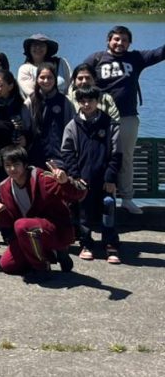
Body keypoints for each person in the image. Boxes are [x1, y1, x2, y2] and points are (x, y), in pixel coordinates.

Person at [82, 25, 165, 214]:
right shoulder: (96, 59)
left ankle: (127, 198)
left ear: (129, 43)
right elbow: (79, 80)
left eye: (124, 40)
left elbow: (160, 53)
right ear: (108, 40)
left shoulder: (136, 58)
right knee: (98, 157)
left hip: (127, 117)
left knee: (126, 158)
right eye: (116, 39)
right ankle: (96, 198)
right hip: (100, 118)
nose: (120, 43)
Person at [0, 146, 86, 276]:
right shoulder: (4, 187)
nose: (12, 169)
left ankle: (42, 266)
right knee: (8, 265)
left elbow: (79, 194)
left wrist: (65, 182)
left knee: (22, 225)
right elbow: (8, 222)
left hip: (53, 229)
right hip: (28, 233)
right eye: (7, 165)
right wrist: (1, 213)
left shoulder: (43, 178)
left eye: (16, 164)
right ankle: (50, 253)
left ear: (25, 164)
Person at [61, 86, 122, 264]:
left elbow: (117, 153)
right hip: (82, 178)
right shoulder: (73, 125)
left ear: (98, 101)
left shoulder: (110, 124)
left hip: (104, 179)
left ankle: (110, 243)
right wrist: (75, 175)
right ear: (78, 102)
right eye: (83, 101)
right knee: (84, 212)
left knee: (108, 206)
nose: (87, 104)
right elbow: (67, 152)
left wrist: (111, 177)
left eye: (91, 100)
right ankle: (86, 243)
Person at [25, 63, 75, 169]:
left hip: (60, 157)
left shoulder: (65, 102)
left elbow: (72, 129)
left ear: (55, 79)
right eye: (42, 77)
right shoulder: (30, 102)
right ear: (37, 79)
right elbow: (25, 128)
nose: (46, 81)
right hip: (35, 156)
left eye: (50, 77)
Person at [17, 33, 72, 99]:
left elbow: (71, 85)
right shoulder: (24, 69)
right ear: (29, 48)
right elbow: (30, 92)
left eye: (41, 45)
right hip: (37, 105)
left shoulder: (61, 63)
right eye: (34, 45)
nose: (38, 48)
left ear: (47, 48)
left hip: (64, 103)